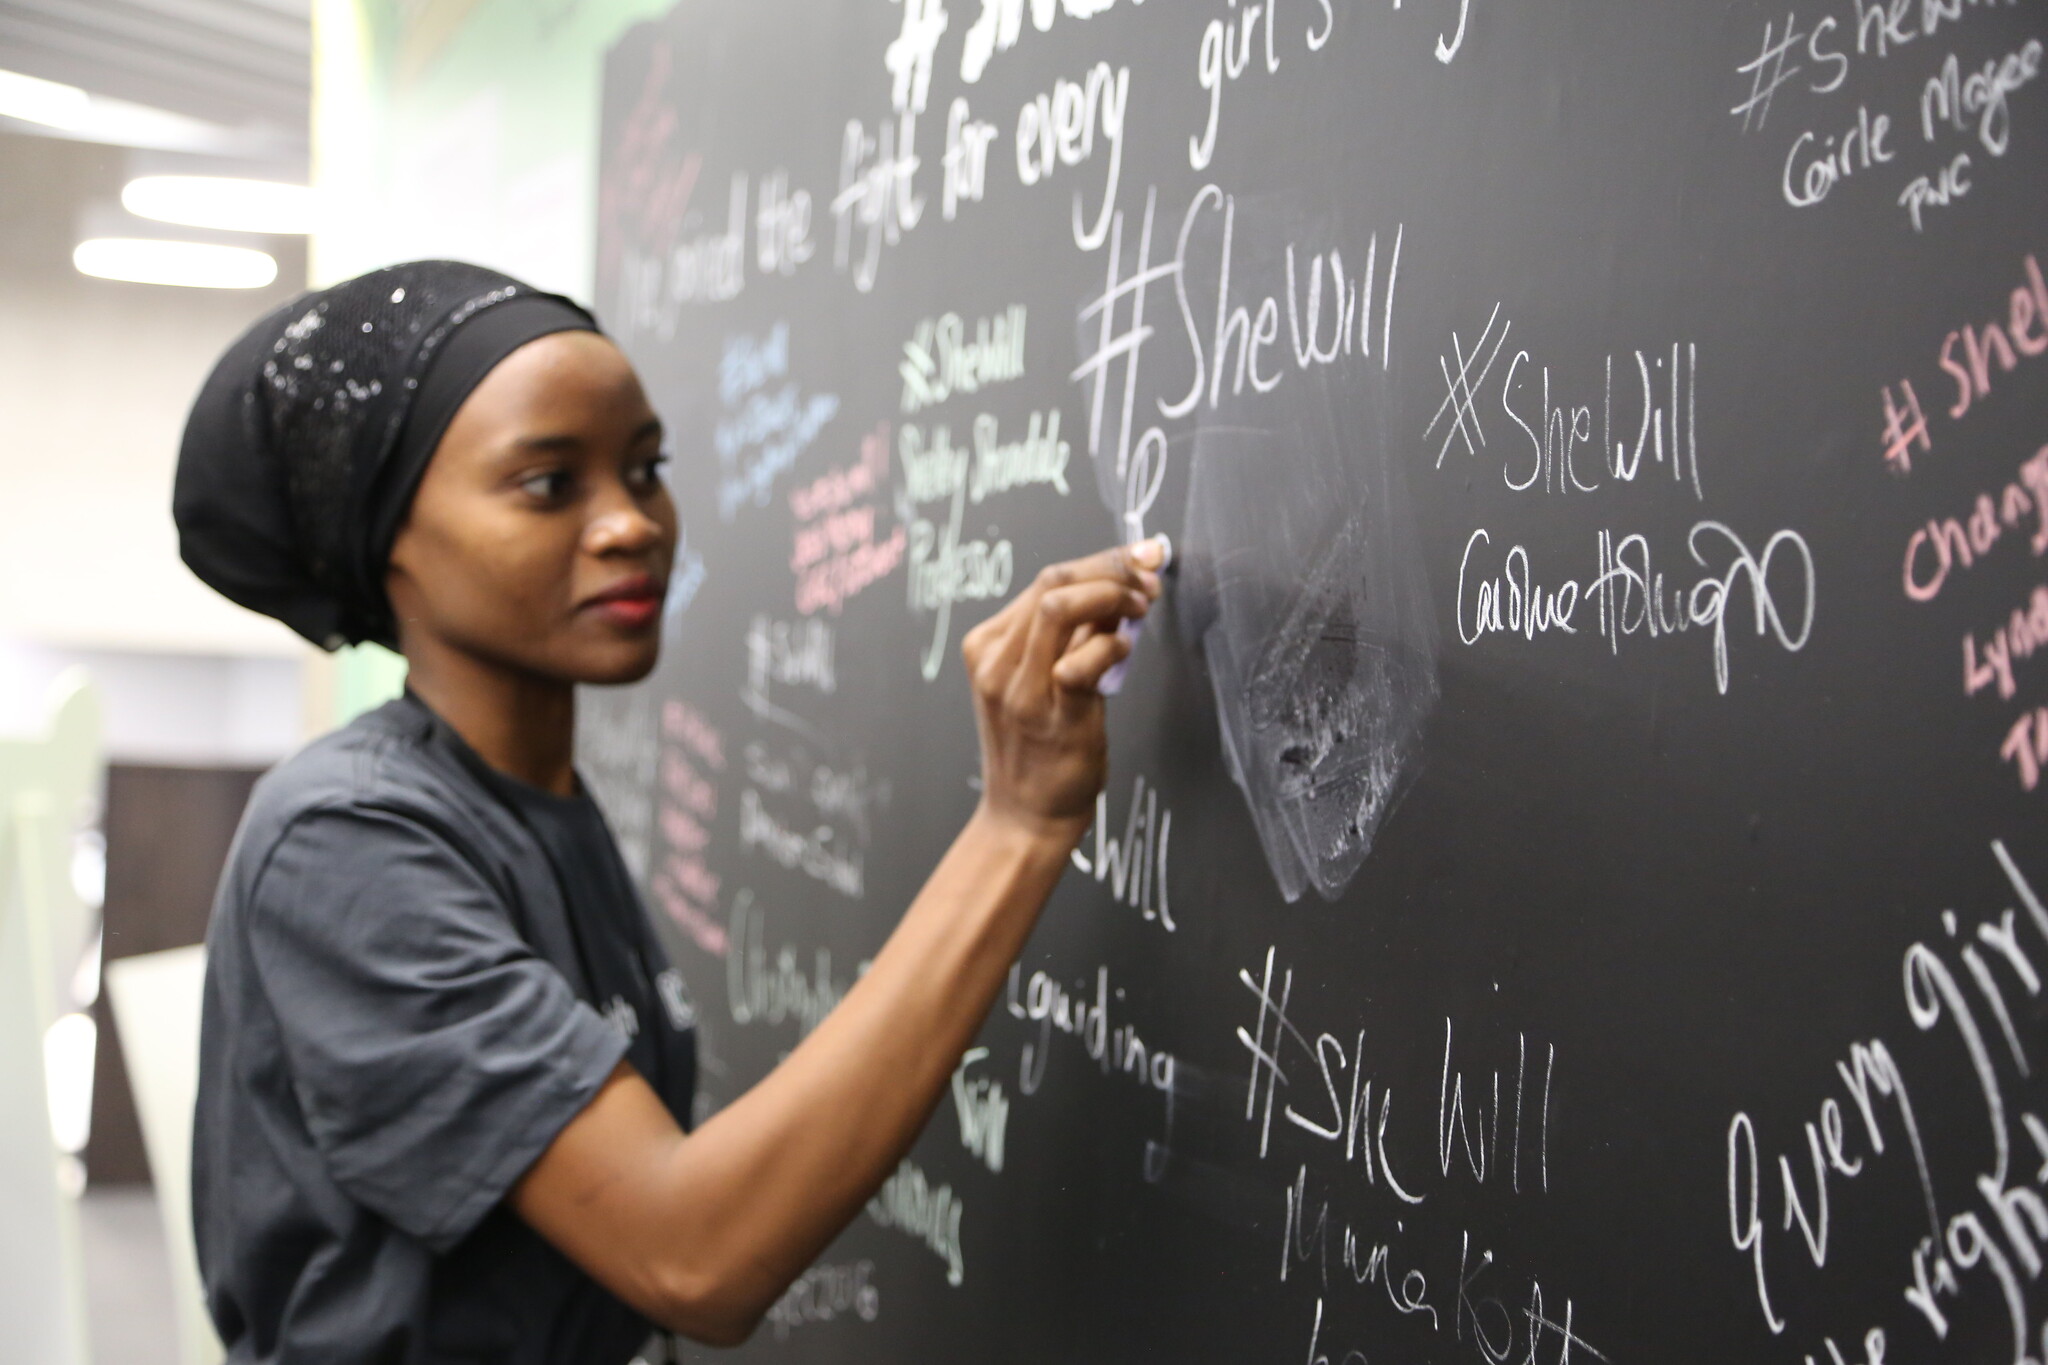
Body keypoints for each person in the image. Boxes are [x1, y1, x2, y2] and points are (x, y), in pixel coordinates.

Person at [173, 261, 1163, 1362]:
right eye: (550, 485)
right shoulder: (346, 843)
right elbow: (693, 1255)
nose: (630, 524)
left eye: (645, 470)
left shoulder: (536, 802)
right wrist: (1016, 827)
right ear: (388, 535)